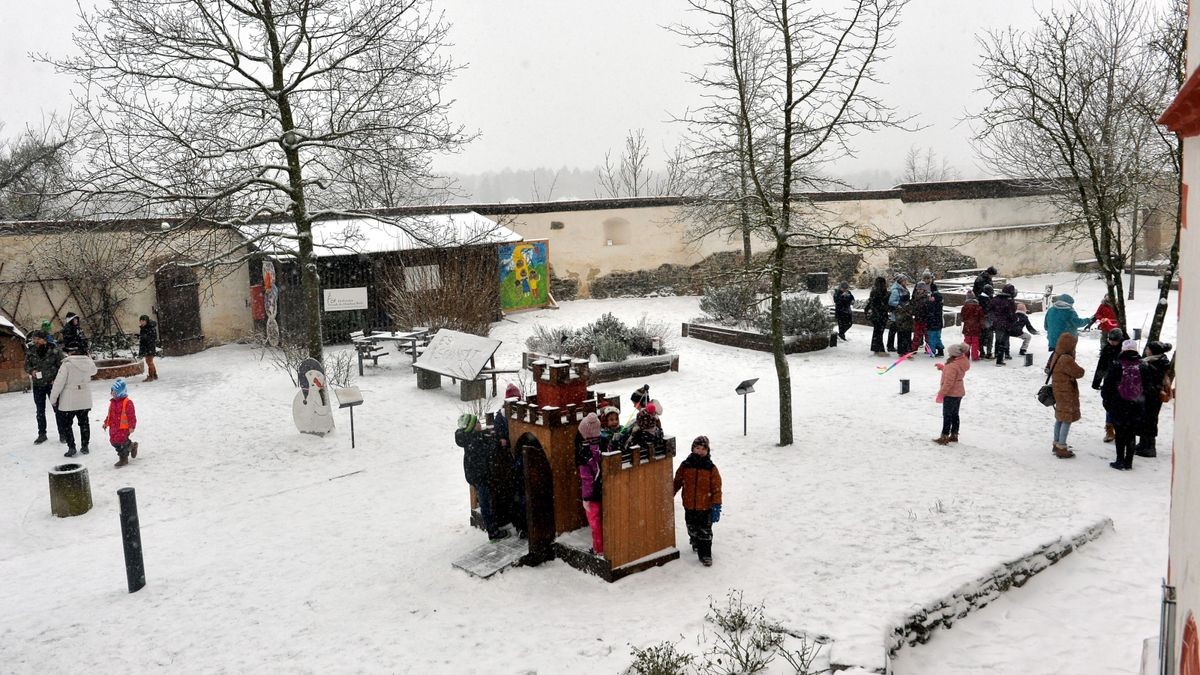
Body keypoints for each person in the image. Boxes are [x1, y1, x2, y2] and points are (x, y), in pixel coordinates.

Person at [455, 413, 508, 542]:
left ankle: (494, 528)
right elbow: (488, 449)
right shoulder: (475, 440)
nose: (480, 424)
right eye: (477, 422)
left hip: (476, 476)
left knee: (486, 502)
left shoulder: (471, 438)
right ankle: (493, 533)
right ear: (473, 427)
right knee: (485, 504)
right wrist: (499, 442)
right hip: (480, 477)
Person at [673, 435, 722, 567]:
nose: (700, 451)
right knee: (691, 527)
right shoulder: (685, 465)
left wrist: (716, 505)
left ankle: (705, 554)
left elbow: (716, 488)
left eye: (703, 449)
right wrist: (670, 493)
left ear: (708, 451)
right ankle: (694, 540)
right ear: (692, 449)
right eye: (697, 448)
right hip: (689, 505)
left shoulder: (711, 468)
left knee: (705, 532)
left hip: (705, 507)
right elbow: (677, 481)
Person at [1101, 339, 1146, 471]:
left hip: (1118, 405)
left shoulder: (1116, 365)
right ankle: (1129, 461)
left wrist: (1108, 404)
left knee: (1120, 434)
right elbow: (1149, 388)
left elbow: (1107, 388)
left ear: (1123, 350)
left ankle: (1120, 460)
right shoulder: (1143, 366)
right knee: (1131, 433)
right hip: (1136, 405)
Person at [49, 341, 98, 458]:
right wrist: (89, 357)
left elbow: (58, 383)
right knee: (84, 423)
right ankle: (85, 446)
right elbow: (94, 371)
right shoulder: (88, 362)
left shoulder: (66, 364)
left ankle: (71, 447)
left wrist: (53, 398)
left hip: (69, 399)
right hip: (84, 398)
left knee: (67, 424)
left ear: (71, 352)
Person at [23, 330, 64, 445]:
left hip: (52, 385)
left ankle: (63, 433)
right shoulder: (31, 351)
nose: (35, 341)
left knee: (58, 410)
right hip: (38, 385)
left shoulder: (54, 350)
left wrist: (57, 378)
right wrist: (32, 371)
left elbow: (62, 365)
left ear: (43, 339)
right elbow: (26, 365)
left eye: (37, 338)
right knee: (40, 411)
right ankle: (42, 434)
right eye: (34, 339)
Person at [1048, 333, 1085, 459]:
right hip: (1066, 392)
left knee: (1060, 417)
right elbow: (1079, 373)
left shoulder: (1056, 354)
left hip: (1058, 390)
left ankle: (1056, 443)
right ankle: (1061, 446)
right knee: (1067, 419)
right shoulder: (1066, 359)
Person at [1138, 341, 1174, 458]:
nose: (1146, 350)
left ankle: (1149, 448)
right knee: (1146, 419)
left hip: (1152, 395)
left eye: (1148, 349)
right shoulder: (1157, 360)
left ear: (1153, 351)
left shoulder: (1155, 363)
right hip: (1152, 394)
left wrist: (1145, 366)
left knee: (1149, 420)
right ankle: (1143, 444)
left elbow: (1152, 379)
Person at [576, 412, 604, 556]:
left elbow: (586, 479)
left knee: (595, 523)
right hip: (605, 491)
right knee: (605, 521)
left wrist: (586, 498)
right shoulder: (604, 445)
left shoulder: (584, 453)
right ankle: (607, 545)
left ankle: (598, 549)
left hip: (592, 496)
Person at [1093, 328, 1126, 443]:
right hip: (1109, 383)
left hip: (1123, 383)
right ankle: (1109, 430)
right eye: (1109, 340)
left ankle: (1121, 430)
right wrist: (1096, 382)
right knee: (1109, 406)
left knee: (1123, 408)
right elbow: (1101, 366)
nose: (1111, 342)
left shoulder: (1126, 349)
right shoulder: (1107, 349)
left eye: (1114, 341)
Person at [933, 343, 971, 445]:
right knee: (954, 414)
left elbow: (949, 382)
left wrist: (941, 394)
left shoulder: (952, 366)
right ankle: (954, 435)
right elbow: (955, 372)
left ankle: (944, 436)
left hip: (951, 394)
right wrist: (943, 368)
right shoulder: (962, 361)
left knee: (947, 415)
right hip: (958, 392)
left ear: (953, 354)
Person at [103, 378, 140, 467]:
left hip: (124, 427)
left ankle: (123, 459)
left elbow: (131, 416)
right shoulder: (112, 402)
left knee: (121, 441)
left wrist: (132, 426)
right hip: (113, 427)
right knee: (113, 441)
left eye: (114, 392)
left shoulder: (127, 403)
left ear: (120, 392)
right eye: (112, 391)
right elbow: (110, 414)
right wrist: (106, 423)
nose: (112, 394)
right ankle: (132, 446)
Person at [988, 284, 1018, 366]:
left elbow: (990, 310)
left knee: (998, 339)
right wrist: (1014, 320)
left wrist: (994, 319)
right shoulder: (1009, 301)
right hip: (1006, 323)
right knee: (1004, 340)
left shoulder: (995, 299)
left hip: (997, 323)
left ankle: (997, 354)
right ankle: (1001, 358)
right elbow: (1012, 314)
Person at [866, 276, 890, 356]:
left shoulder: (874, 291)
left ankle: (876, 348)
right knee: (879, 332)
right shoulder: (881, 292)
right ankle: (880, 349)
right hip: (881, 315)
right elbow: (882, 304)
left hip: (876, 315)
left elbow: (872, 303)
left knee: (877, 332)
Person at [887, 275, 910, 352]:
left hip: (901, 314)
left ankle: (891, 346)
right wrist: (900, 303)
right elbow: (891, 302)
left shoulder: (903, 289)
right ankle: (890, 346)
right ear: (900, 281)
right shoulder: (896, 290)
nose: (906, 282)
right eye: (904, 281)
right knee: (894, 331)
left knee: (895, 331)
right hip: (896, 315)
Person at [960, 290, 985, 361]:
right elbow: (981, 318)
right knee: (975, 343)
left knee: (967, 342)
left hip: (967, 327)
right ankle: (975, 356)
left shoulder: (964, 307)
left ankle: (966, 356)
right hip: (976, 328)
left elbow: (962, 318)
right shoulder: (978, 307)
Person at [925, 290, 946, 357]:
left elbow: (929, 313)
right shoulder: (939, 304)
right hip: (938, 325)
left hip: (932, 325)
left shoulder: (932, 305)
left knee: (931, 339)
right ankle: (940, 350)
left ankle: (932, 351)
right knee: (937, 338)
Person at [139, 314, 159, 382]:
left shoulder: (151, 327)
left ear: (146, 321)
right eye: (141, 321)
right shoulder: (143, 328)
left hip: (150, 347)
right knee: (150, 362)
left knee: (149, 362)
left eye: (143, 321)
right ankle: (155, 375)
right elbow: (142, 340)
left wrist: (146, 337)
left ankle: (151, 376)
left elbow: (153, 338)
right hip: (146, 347)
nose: (142, 322)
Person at [911, 282, 929, 352]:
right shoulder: (915, 297)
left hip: (925, 319)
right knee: (916, 335)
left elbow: (928, 308)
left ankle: (928, 349)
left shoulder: (926, 297)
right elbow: (913, 306)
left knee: (927, 335)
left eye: (920, 289)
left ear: (924, 290)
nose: (919, 290)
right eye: (918, 289)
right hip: (917, 318)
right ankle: (914, 348)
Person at [978, 284, 995, 359]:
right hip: (988, 321)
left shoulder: (979, 298)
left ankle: (982, 352)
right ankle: (988, 353)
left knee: (981, 337)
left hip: (980, 321)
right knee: (990, 337)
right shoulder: (988, 300)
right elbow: (989, 310)